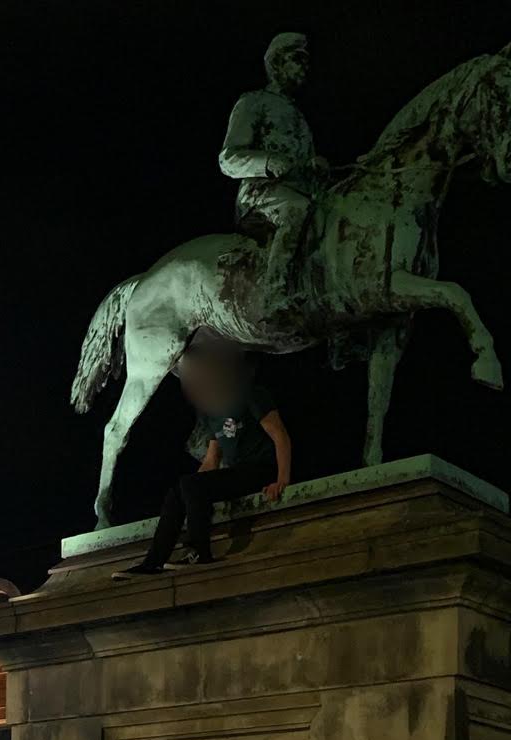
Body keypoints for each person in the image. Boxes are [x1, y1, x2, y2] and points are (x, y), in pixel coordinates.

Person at [115, 353, 292, 577]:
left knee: (190, 485)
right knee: (177, 491)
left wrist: (282, 480)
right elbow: (211, 460)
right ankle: (153, 563)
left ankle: (200, 552)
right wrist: (188, 490)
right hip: (237, 472)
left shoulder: (251, 393)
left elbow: (280, 435)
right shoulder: (212, 412)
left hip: (262, 468)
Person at [219, 32, 321, 318]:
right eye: (297, 59)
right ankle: (274, 296)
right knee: (296, 209)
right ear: (277, 64)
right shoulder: (254, 102)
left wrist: (316, 168)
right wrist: (268, 162)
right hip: (260, 197)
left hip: (303, 196)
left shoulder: (300, 117)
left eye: (306, 62)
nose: (304, 68)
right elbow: (228, 159)